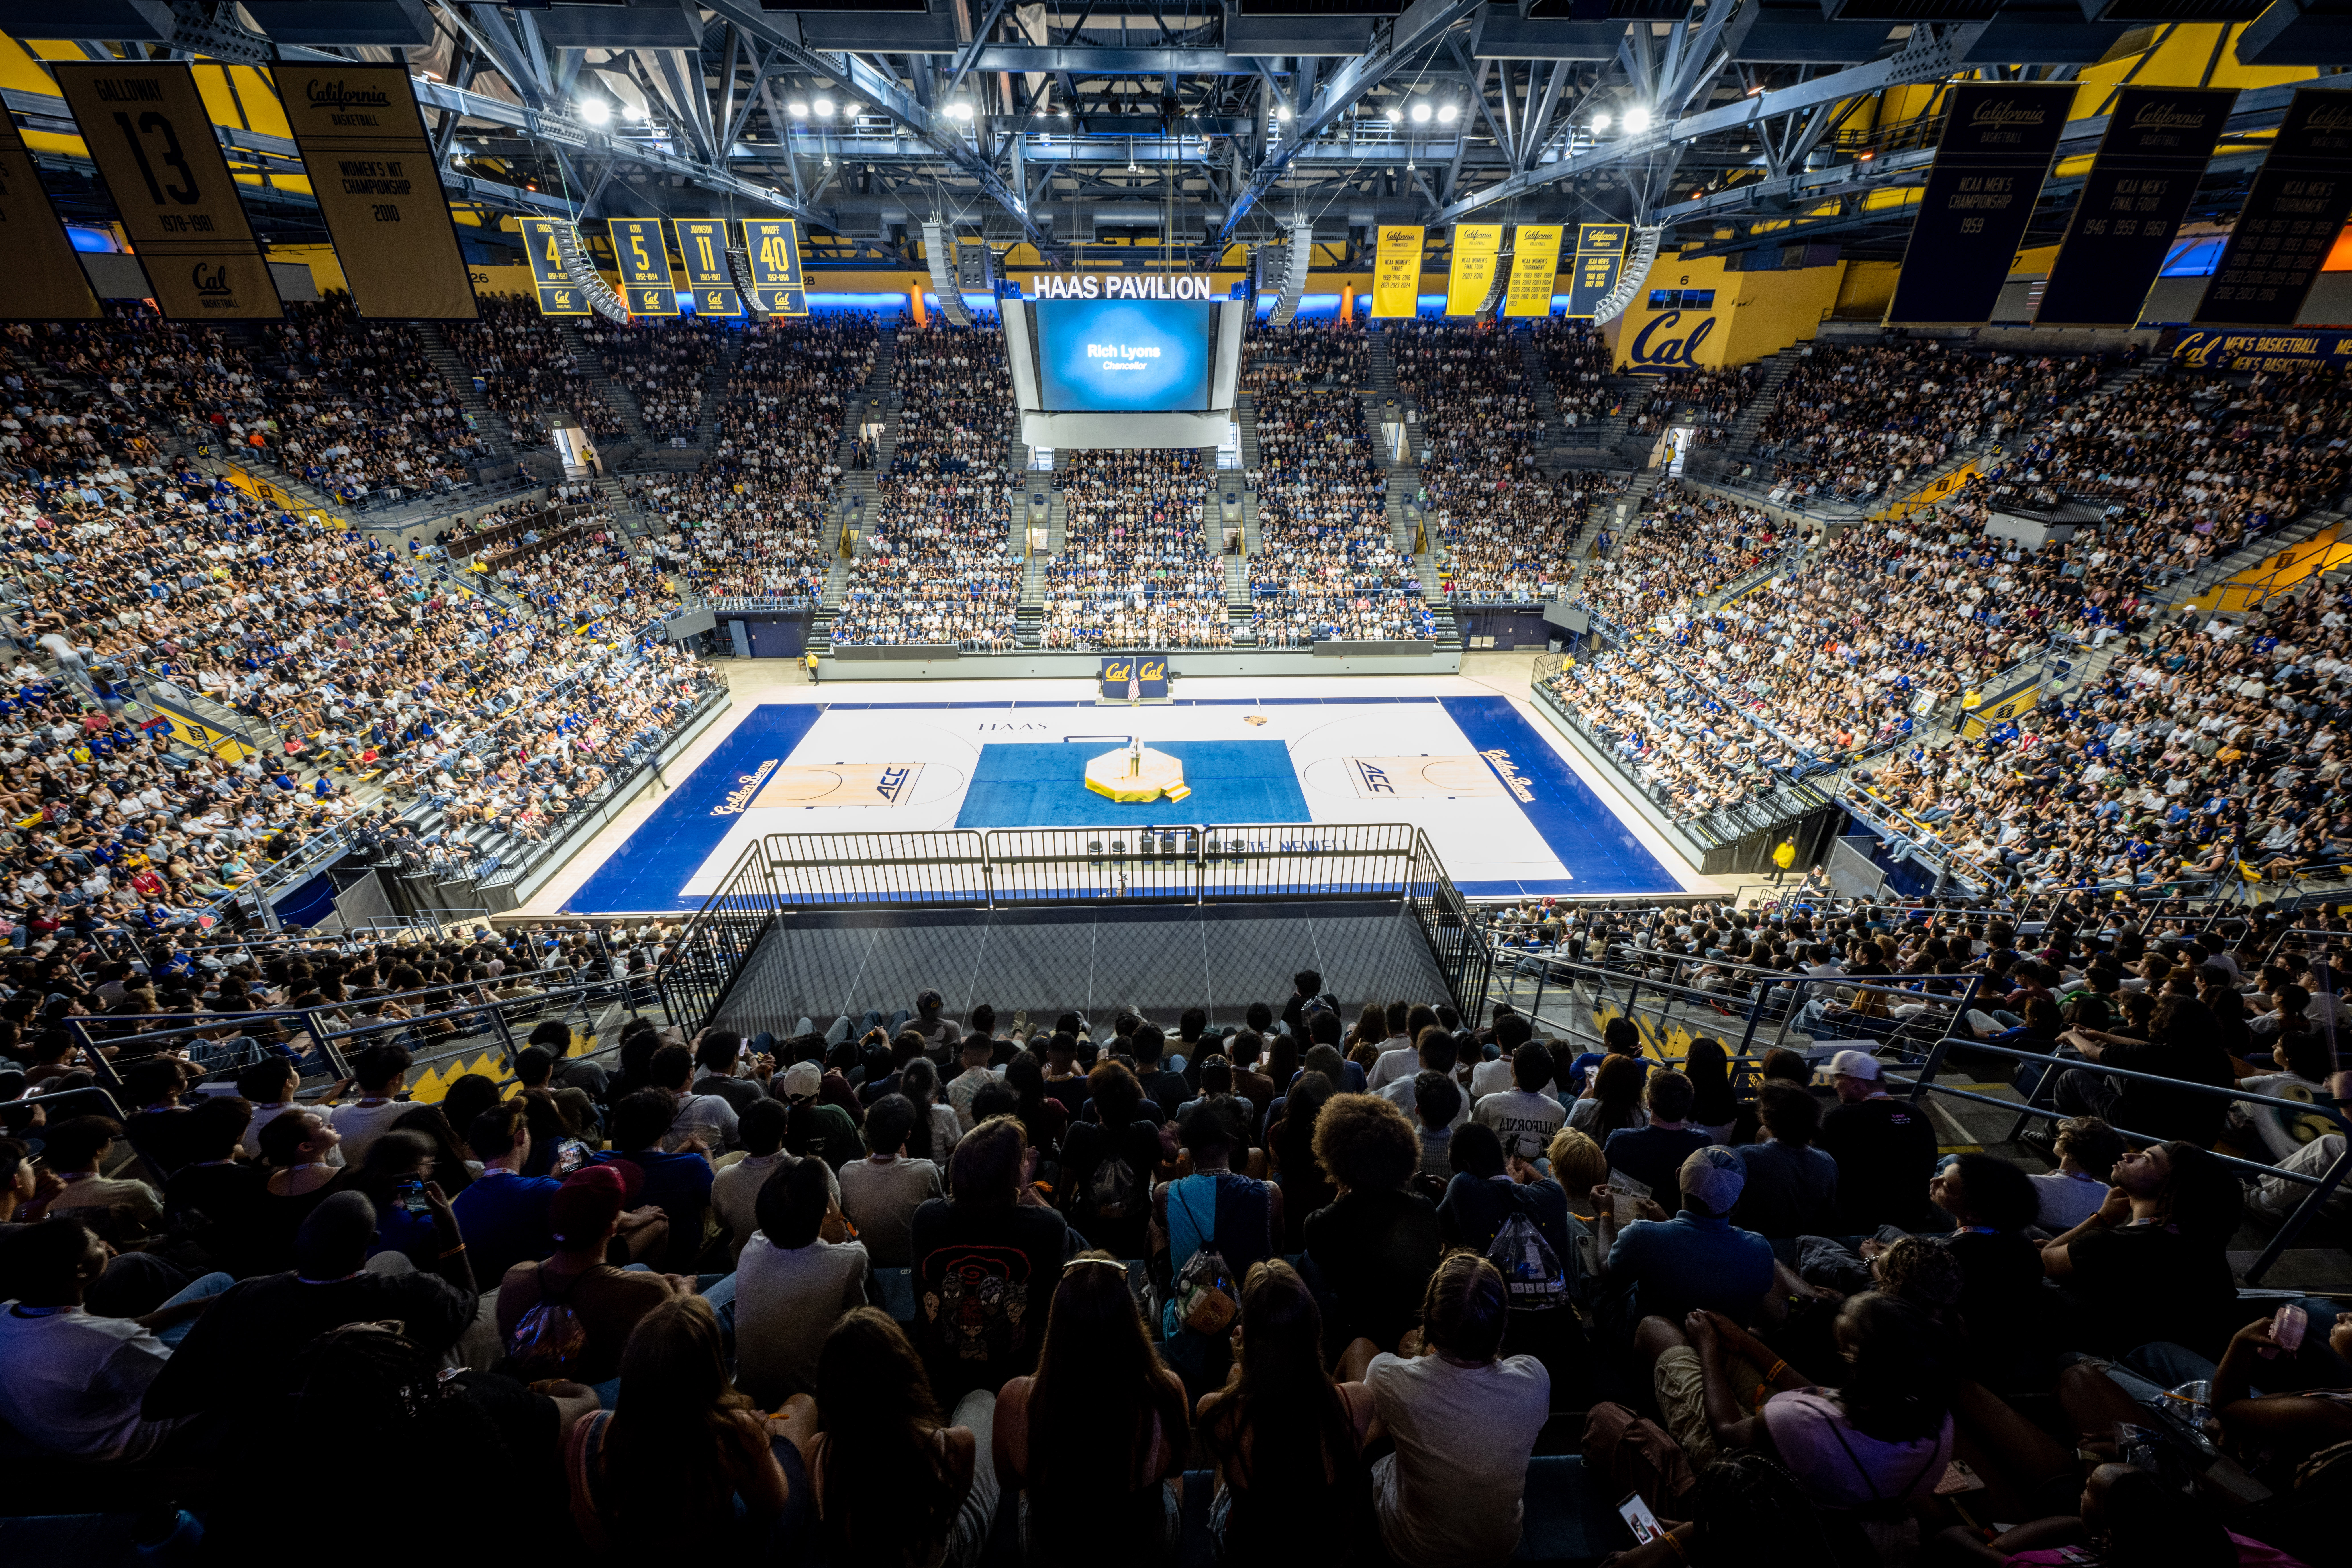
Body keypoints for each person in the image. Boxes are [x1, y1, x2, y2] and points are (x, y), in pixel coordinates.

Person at [141, 1190, 476, 1429]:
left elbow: (163, 1399)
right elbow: (467, 1297)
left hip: (269, 1430)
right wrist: (449, 1228)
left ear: (299, 1245)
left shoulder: (244, 1294)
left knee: (392, 1265)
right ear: (369, 1242)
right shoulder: (411, 1292)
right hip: (381, 1420)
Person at [1342, 1252, 1550, 1567]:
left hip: (1413, 1549)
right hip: (1501, 1546)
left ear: (1430, 1316)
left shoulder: (1387, 1375)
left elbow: (1377, 1403)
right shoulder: (1534, 1379)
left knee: (1361, 1348)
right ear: (1501, 1323)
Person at [563, 1294, 804, 1555]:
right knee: (801, 1405)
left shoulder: (584, 1432)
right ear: (710, 1371)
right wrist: (763, 1440)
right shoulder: (733, 1434)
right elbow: (773, 1507)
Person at [993, 1251, 1191, 1567]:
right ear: (1131, 1325)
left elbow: (1010, 1482)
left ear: (1056, 1325)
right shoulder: (1166, 1390)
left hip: (1051, 1552)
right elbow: (1176, 1467)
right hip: (1143, 1550)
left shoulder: (1015, 1398)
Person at [1688, 1291, 1955, 1520]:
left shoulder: (1804, 1423)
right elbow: (1818, 1396)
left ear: (1854, 1356)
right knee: (1730, 1355)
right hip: (1811, 1464)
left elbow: (1726, 1431)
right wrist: (1744, 1340)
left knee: (1660, 1331)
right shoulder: (1935, 1420)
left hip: (1757, 1479)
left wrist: (1706, 1347)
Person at [784, 1306, 999, 1568]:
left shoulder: (817, 1453)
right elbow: (952, 1511)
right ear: (905, 1371)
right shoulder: (954, 1444)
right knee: (983, 1399)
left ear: (829, 1388)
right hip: (942, 1558)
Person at [0, 1218, 231, 1459]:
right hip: (135, 1439)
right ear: (81, 1269)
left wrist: (188, 1309)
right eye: (97, 1245)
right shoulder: (109, 1342)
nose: (106, 1245)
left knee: (218, 1283)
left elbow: (104, 1336)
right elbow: (192, 1386)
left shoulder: (8, 1313)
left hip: (66, 1431)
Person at [1195, 1260, 1377, 1565]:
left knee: (1233, 1384)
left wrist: (1243, 1362)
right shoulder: (1358, 1400)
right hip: (1329, 1552)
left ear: (1249, 1340)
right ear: (1314, 1327)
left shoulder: (1213, 1410)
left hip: (1252, 1552)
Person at [909, 1116, 1073, 1400]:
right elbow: (1078, 1250)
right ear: (1012, 1180)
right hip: (1019, 1376)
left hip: (941, 1375)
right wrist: (1025, 1190)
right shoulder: (1046, 1226)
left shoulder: (927, 1219)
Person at [2040, 1139, 2244, 1358]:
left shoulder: (2109, 1245)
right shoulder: (2205, 1251)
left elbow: (2043, 1260)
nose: (2129, 1156)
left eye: (2146, 1159)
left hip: (2089, 1354)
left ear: (2171, 1191)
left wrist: (2103, 1218)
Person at [497, 1167, 681, 1388]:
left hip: (533, 1399)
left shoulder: (514, 1279)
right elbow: (678, 1349)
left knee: (639, 1267)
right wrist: (683, 1296)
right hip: (605, 1407)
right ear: (613, 1228)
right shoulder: (650, 1291)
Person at [1301, 1093, 1443, 1361]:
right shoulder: (1424, 1209)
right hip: (1412, 1335)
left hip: (1354, 1337)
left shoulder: (1322, 1223)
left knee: (1308, 1260)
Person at [1589, 1146, 1773, 1331]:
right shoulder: (1760, 1250)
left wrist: (1606, 1213)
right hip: (1722, 1348)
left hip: (1647, 1343)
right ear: (1735, 1206)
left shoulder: (1643, 1235)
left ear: (1679, 1177)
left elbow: (1607, 1272)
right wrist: (1668, 1223)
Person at [735, 1158, 870, 1407]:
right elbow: (858, 1322)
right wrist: (828, 1201)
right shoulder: (852, 1260)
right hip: (817, 1403)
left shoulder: (751, 1246)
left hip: (754, 1395)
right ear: (823, 1211)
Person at [596, 1087, 716, 1274]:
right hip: (679, 1260)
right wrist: (706, 1152)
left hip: (619, 1258)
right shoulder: (692, 1165)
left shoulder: (599, 1162)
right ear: (666, 1129)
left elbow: (653, 1168)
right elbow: (715, 1195)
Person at [1817, 1050, 1939, 1232]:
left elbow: (1818, 1170)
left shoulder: (1840, 1118)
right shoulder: (1916, 1113)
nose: (1834, 1086)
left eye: (1836, 1080)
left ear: (1855, 1085)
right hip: (1913, 1216)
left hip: (1859, 1220)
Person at [1058, 1061, 1166, 1260]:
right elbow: (1166, 1186)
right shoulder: (1147, 1132)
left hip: (1091, 1235)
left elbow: (1064, 1195)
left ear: (1096, 1107)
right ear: (1136, 1105)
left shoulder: (1079, 1134)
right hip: (1137, 1232)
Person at [453, 1098, 566, 1285]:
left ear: (474, 1151)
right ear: (521, 1137)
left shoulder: (460, 1203)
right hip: (539, 1296)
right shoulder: (545, 1191)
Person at [713, 1097, 838, 1264]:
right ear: (785, 1129)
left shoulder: (723, 1178)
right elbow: (835, 1213)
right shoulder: (815, 1172)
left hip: (748, 1267)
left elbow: (722, 1223)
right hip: (809, 1264)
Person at [839, 1093, 945, 1267]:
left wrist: (856, 1237)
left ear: (869, 1131)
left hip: (868, 1261)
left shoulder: (847, 1172)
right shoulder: (926, 1170)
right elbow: (939, 1215)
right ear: (908, 1135)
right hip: (913, 1262)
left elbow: (847, 1221)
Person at [1729, 1083, 1839, 1239]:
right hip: (1806, 1251)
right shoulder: (1827, 1162)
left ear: (1766, 1117)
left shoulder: (1743, 1158)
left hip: (1755, 1248)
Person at [1602, 1069, 1714, 1195]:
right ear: (1688, 1106)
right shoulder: (1703, 1142)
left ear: (1649, 1103)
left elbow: (1603, 1184)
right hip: (1677, 1214)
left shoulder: (1620, 1141)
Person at [2029, 1114, 2124, 1232]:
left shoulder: (2033, 1183)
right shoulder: (2106, 1192)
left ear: (2071, 1145)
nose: (2058, 1137)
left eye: (2062, 1135)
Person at [324, 1043, 414, 1165]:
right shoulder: (413, 1110)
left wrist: (332, 1094)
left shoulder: (337, 1113)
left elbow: (299, 1113)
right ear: (396, 1078)